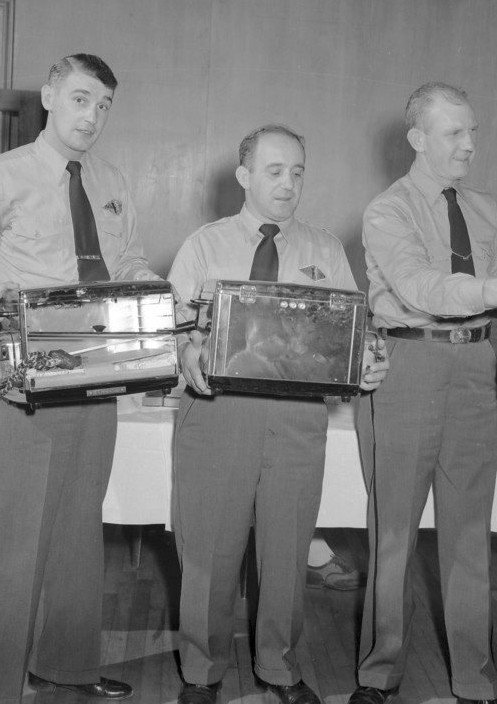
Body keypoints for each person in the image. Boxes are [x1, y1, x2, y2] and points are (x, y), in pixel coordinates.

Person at [0, 53, 161, 704]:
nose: (92, 116)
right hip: (23, 368)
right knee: (11, 532)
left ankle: (67, 665)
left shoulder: (112, 180)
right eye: (81, 99)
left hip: (99, 365)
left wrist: (159, 293)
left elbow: (128, 261)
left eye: (104, 105)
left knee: (79, 525)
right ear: (50, 95)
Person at [351, 83, 497, 704]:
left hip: (474, 369)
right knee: (393, 534)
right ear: (417, 139)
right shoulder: (387, 211)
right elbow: (422, 287)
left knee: (471, 532)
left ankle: (475, 680)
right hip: (409, 369)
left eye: (473, 131)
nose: (470, 144)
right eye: (454, 132)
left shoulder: (484, 207)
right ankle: (380, 673)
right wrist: (495, 291)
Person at [168, 124, 388, 704]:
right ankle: (202, 672)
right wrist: (185, 349)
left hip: (297, 418)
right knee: (209, 551)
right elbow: (169, 328)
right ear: (244, 176)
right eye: (274, 171)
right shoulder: (204, 245)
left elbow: (356, 333)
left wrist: (368, 361)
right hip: (217, 414)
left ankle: (279, 669)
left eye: (297, 172)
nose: (288, 183)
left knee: (288, 549)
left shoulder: (326, 250)